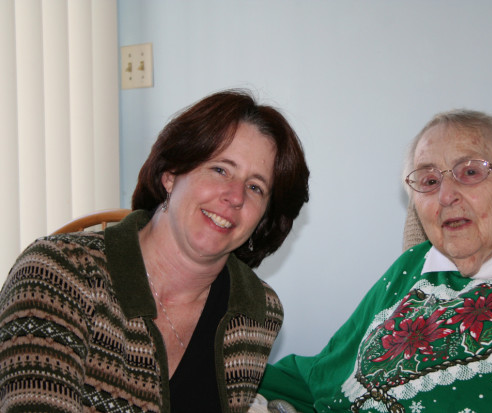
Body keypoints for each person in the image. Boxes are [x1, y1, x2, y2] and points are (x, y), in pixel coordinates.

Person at [258, 110, 492, 412]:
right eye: (429, 180)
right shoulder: (412, 267)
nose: (447, 195)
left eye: (471, 172)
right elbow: (322, 373)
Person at [0, 89, 310, 413]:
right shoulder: (57, 275)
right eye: (221, 169)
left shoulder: (258, 311)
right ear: (171, 174)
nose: (235, 196)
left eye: (255, 187)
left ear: (262, 219)